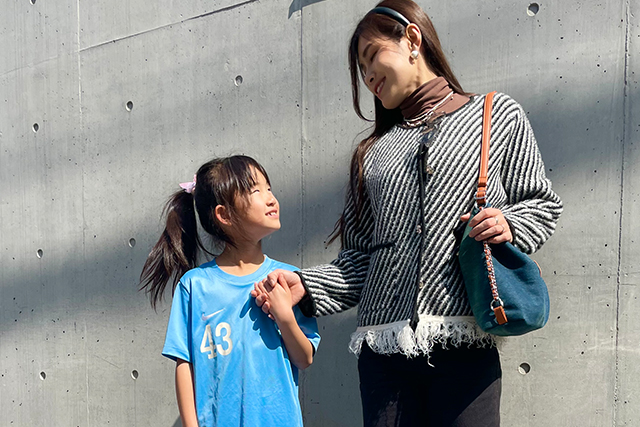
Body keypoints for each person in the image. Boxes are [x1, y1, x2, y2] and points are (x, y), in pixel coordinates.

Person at [252, 1, 562, 426]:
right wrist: (304, 285)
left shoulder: (495, 114)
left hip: (464, 344)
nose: (368, 77)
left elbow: (542, 203)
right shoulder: (372, 153)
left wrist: (509, 223)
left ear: (412, 39)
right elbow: (359, 260)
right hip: (384, 356)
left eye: (371, 57)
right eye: (361, 71)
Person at [139, 155, 320, 427]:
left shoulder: (288, 279)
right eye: (255, 191)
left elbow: (305, 358)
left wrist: (284, 317)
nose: (271, 198)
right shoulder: (195, 286)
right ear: (224, 214)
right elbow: (184, 364)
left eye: (269, 188)